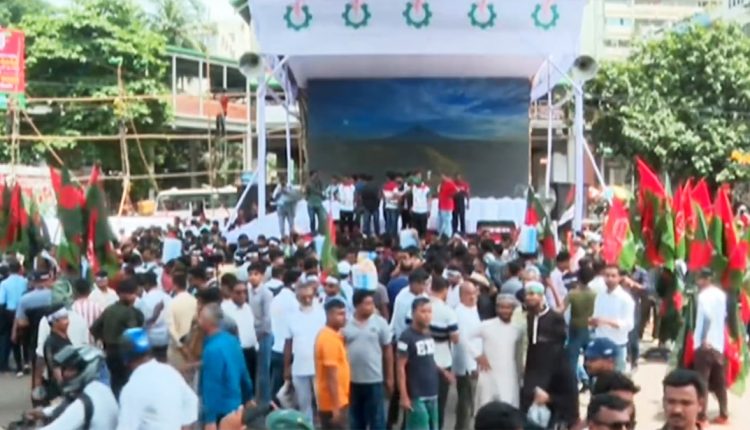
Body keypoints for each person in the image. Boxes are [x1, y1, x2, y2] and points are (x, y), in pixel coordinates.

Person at [520, 282, 578, 428]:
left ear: (541, 296)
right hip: (531, 368)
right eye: (527, 294)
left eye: (533, 294)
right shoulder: (525, 317)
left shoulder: (554, 318)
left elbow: (560, 341)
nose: (529, 297)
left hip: (551, 368)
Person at [116, 328, 199, 430]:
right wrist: (184, 426)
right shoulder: (169, 372)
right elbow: (192, 401)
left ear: (125, 358)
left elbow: (126, 427)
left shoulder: (132, 389)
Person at [32, 345, 118, 430]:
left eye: (70, 369)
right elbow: (70, 406)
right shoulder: (101, 390)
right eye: (64, 369)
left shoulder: (84, 403)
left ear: (87, 369)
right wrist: (45, 412)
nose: (64, 374)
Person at [343, 290, 393, 430]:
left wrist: (389, 377)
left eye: (372, 303)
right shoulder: (345, 325)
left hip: (374, 379)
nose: (371, 307)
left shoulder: (380, 323)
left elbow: (387, 350)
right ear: (357, 305)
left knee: (377, 420)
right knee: (356, 420)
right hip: (352, 380)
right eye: (367, 304)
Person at [199, 303, 254, 428]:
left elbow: (211, 386)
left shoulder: (211, 350)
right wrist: (248, 397)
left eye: (200, 318)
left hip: (221, 412)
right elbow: (243, 371)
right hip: (236, 407)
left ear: (207, 322)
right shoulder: (232, 341)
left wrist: (210, 419)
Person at [89, 278, 145, 398]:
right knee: (128, 382)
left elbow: (94, 328)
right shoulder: (130, 312)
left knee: (115, 382)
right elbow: (133, 334)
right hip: (125, 353)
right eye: (133, 293)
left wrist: (103, 338)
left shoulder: (109, 309)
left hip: (109, 351)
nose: (134, 297)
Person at [283, 280, 326, 423]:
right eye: (303, 297)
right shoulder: (291, 317)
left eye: (310, 296)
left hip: (319, 366)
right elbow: (288, 344)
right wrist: (286, 367)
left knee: (323, 404)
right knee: (304, 405)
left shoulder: (321, 313)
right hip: (299, 367)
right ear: (297, 298)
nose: (307, 300)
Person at [472, 294, 524, 409]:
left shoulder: (518, 329)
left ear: (513, 309)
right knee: (485, 407)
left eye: (508, 307)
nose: (505, 311)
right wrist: (477, 355)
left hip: (509, 375)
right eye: (501, 307)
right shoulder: (486, 325)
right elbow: (465, 337)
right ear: (496, 308)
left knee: (508, 408)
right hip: (488, 374)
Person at [397, 297, 442, 430]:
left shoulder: (428, 334)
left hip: (432, 391)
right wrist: (404, 395)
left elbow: (428, 359)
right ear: (413, 313)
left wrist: (443, 372)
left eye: (429, 311)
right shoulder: (406, 337)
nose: (427, 315)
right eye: (423, 311)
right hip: (416, 395)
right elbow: (400, 367)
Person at [691, 268, 729, 424]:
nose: (697, 281)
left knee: (702, 381)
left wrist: (703, 339)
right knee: (720, 382)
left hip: (705, 345)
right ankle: (724, 414)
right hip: (718, 344)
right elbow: (724, 317)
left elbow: (706, 317)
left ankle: (701, 417)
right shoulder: (721, 295)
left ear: (705, 279)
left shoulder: (703, 296)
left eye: (699, 278)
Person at [589, 264, 634, 373]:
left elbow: (629, 325)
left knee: (616, 379)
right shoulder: (600, 296)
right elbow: (596, 317)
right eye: (607, 275)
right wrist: (592, 322)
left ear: (619, 278)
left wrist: (607, 322)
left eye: (613, 276)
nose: (609, 279)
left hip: (617, 345)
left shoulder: (625, 299)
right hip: (600, 344)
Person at [428, 276, 459, 429]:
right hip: (442, 359)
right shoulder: (448, 312)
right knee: (439, 403)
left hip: (420, 361)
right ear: (445, 291)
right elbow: (455, 338)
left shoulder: (419, 306)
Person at [315, 299, 350, 429]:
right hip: (332, 403)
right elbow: (331, 376)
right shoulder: (328, 339)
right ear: (329, 315)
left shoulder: (334, 335)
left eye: (344, 313)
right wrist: (336, 407)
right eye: (339, 314)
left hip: (338, 400)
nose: (344, 318)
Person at [452, 282, 481, 430]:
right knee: (466, 403)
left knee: (468, 401)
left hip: (475, 362)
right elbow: (462, 342)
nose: (473, 296)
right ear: (461, 296)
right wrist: (471, 366)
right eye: (469, 294)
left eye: (474, 293)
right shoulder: (460, 313)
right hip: (467, 366)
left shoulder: (473, 309)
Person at [221, 280, 258, 389]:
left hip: (251, 351)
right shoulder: (225, 310)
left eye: (244, 292)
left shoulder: (247, 308)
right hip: (236, 352)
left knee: (251, 384)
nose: (242, 295)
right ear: (231, 293)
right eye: (238, 292)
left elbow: (251, 328)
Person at [270, 269, 301, 397]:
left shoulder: (275, 299)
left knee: (277, 389)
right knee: (288, 392)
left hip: (276, 347)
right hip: (290, 350)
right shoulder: (295, 302)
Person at [248, 261, 274, 405]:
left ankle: (265, 401)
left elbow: (267, 318)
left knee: (264, 369)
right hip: (251, 333)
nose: (252, 277)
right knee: (253, 368)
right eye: (250, 274)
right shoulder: (248, 292)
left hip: (263, 334)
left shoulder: (266, 294)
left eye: (256, 274)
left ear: (262, 276)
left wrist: (259, 334)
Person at [0, 258, 28, 375]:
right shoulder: (25, 281)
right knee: (25, 338)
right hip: (24, 312)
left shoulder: (4, 283)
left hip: (9, 312)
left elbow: (1, 301)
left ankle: (17, 366)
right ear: (20, 269)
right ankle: (26, 362)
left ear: (9, 270)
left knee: (11, 338)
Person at [136, 271, 171, 362]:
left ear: (147, 284)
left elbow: (141, 321)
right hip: (167, 337)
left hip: (151, 338)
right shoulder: (167, 297)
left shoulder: (144, 301)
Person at [166, 271, 197, 374]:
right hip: (194, 347)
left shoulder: (171, 303)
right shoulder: (195, 301)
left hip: (177, 350)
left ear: (174, 285)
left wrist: (181, 346)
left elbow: (170, 329)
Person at [437, 174, 458, 238]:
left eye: (443, 176)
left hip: (447, 206)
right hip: (441, 205)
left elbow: (456, 190)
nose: (442, 177)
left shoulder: (450, 183)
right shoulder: (442, 184)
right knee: (441, 221)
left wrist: (450, 196)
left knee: (447, 222)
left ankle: (447, 236)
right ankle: (441, 235)